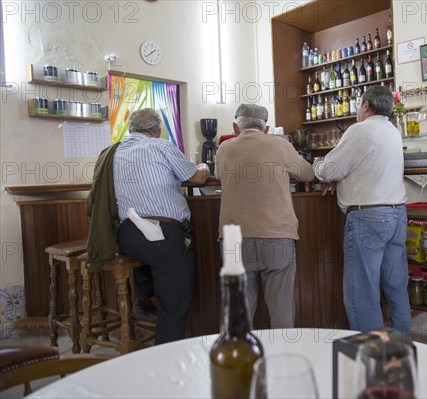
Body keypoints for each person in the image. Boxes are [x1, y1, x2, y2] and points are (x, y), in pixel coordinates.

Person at [313, 86, 412, 335]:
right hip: (397, 214)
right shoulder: (393, 131)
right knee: (396, 286)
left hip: (368, 218)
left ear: (366, 105)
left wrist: (318, 166)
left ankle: (373, 357)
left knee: (362, 293)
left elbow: (330, 170)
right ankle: (403, 346)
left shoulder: (359, 130)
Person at [113, 108, 209, 344]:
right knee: (174, 304)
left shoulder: (115, 151)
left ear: (131, 129)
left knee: (152, 256)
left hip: (125, 235)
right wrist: (204, 167)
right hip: (159, 234)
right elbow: (196, 177)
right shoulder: (161, 146)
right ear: (157, 131)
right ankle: (166, 357)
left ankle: (143, 300)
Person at [215, 104, 314, 328]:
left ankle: (237, 361)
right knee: (282, 311)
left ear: (235, 126)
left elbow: (218, 175)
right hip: (277, 235)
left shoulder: (224, 148)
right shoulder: (281, 145)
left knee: (238, 315)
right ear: (266, 128)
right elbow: (308, 173)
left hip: (235, 239)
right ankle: (282, 358)